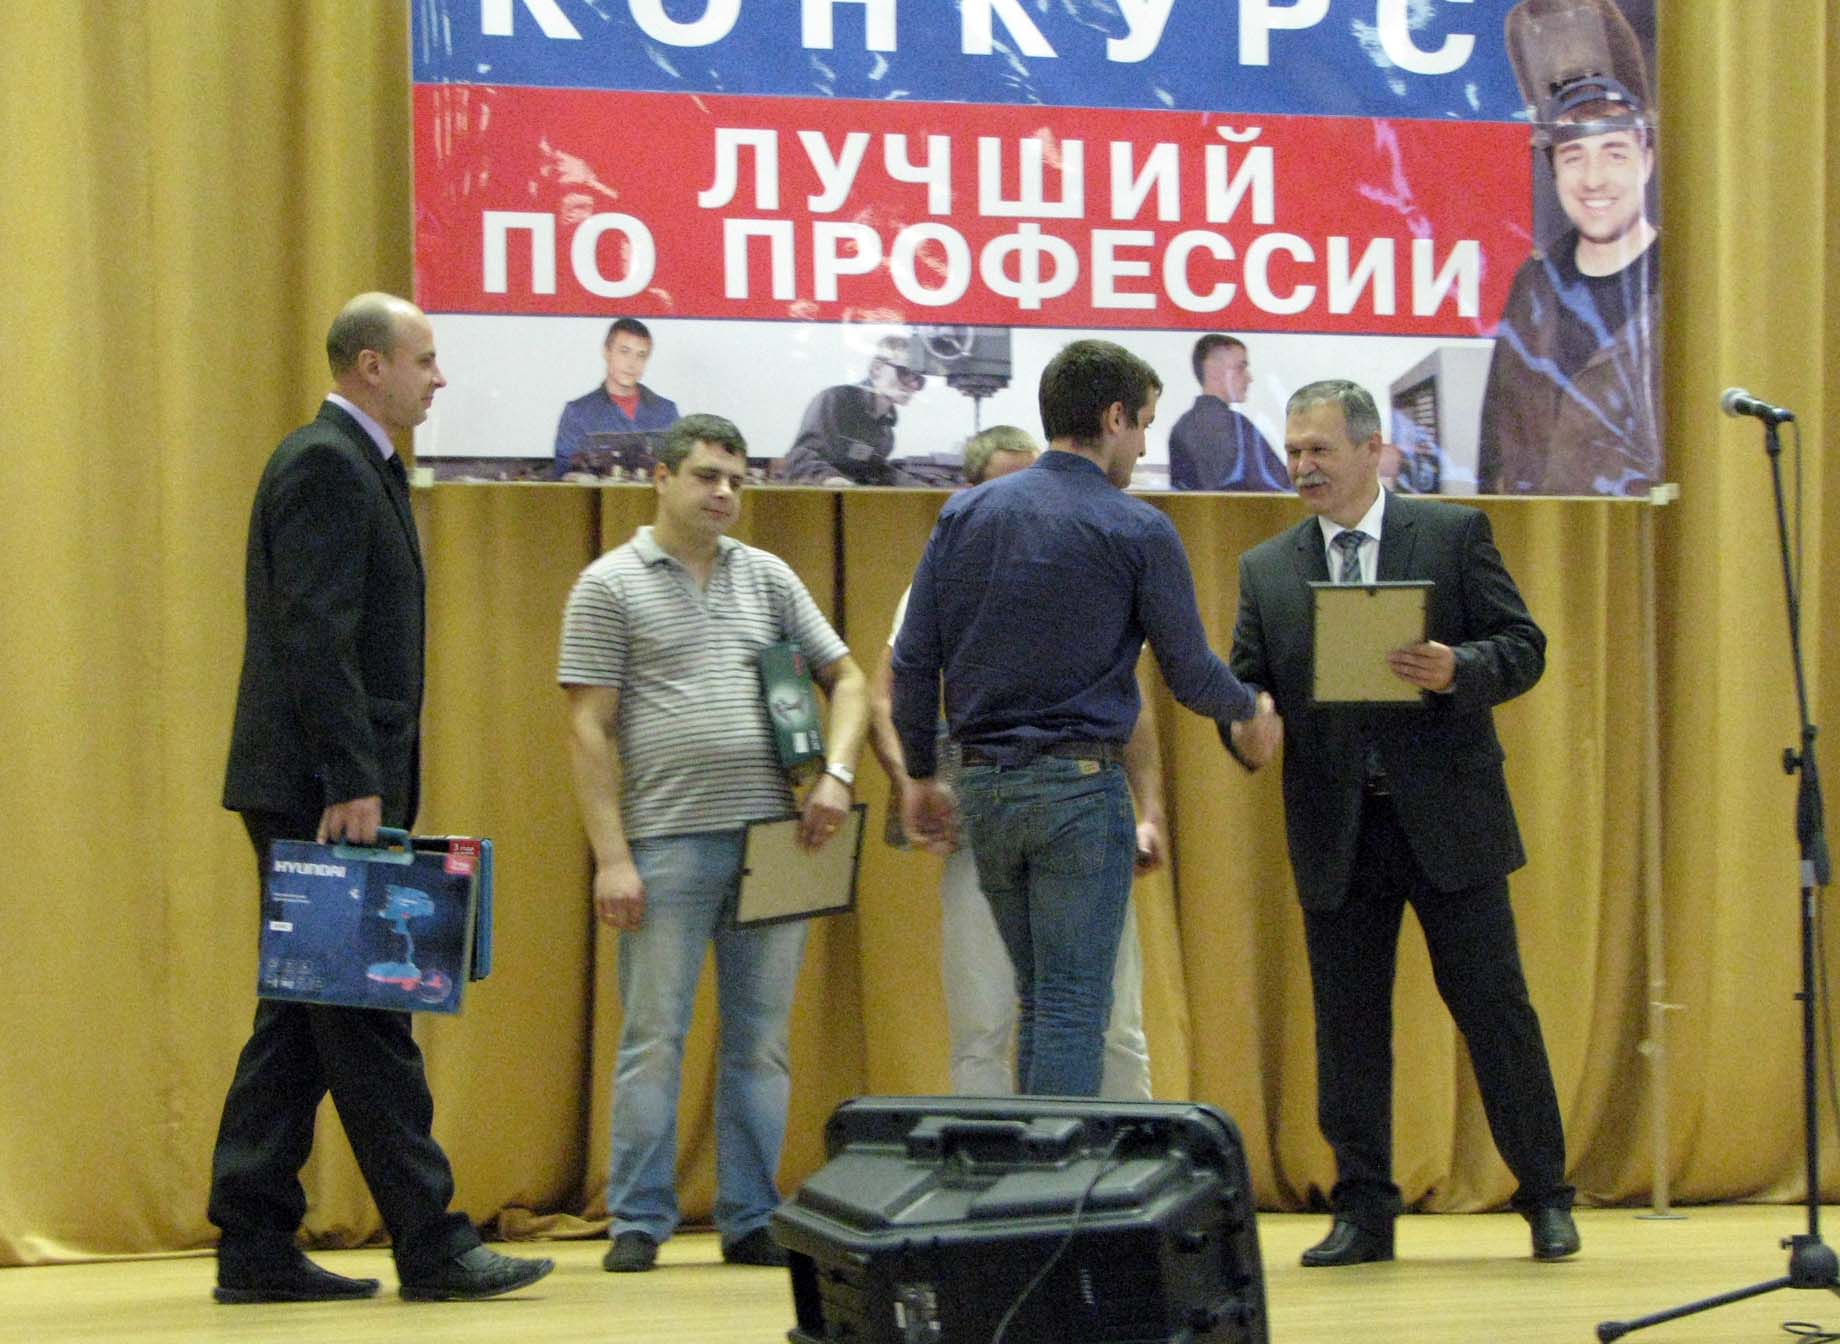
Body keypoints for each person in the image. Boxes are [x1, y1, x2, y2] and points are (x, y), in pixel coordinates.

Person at [210, 293, 555, 1304]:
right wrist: (352, 779)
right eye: (425, 358)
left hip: (322, 783)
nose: (438, 377)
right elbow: (314, 633)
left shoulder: (354, 463)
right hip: (323, 790)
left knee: (302, 1017)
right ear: (371, 365)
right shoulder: (325, 464)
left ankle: (253, 1241)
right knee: (369, 1012)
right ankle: (434, 1246)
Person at [1226, 378, 1576, 1266]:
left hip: (1451, 822)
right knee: (1347, 1030)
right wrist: (1246, 723)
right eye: (1293, 451)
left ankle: (1546, 1197)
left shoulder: (1451, 536)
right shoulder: (1267, 569)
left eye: (1319, 450)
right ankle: (1364, 1213)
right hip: (1337, 828)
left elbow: (1524, 647)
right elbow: (1248, 682)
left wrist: (1459, 667)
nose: (1303, 466)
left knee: (1496, 1012)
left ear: (1372, 449)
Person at [891, 340, 1277, 1097]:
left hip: (985, 794)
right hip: (1076, 791)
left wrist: (920, 773)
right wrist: (1250, 706)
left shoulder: (963, 515)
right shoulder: (1136, 527)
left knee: (1041, 1003)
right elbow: (1190, 673)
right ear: (1114, 417)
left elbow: (912, 662)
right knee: (1072, 1008)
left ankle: (1031, 1167)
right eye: (1145, 425)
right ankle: (1056, 1169)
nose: (1145, 446)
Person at [560, 413, 868, 1274]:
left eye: (736, 479)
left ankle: (751, 1217)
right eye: (706, 476)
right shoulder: (608, 584)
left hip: (779, 841)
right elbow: (587, 729)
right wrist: (613, 858)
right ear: (660, 479)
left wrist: (839, 774)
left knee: (760, 1042)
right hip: (665, 844)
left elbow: (847, 680)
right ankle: (638, 1219)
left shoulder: (768, 577)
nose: (725, 492)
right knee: (653, 1037)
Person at [867, 426, 1157, 1099]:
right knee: (983, 1024)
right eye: (1007, 486)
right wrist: (916, 779)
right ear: (969, 496)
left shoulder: (1090, 566)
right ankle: (996, 1169)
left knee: (1115, 1019)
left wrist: (1151, 810)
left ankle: (1130, 1162)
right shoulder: (945, 573)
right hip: (983, 804)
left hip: (1085, 803)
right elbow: (888, 692)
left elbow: (1132, 705)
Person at [1477, 73, 1659, 496]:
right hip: (1541, 532)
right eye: (1574, 157)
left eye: (1615, 154)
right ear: (1554, 170)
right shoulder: (1533, 286)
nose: (1593, 179)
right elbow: (1494, 448)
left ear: (1646, 162)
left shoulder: (1686, 282)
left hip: (1649, 533)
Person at [780, 333, 927, 485]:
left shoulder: (886, 433)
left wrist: (921, 488)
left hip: (849, 496)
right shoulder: (836, 401)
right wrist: (831, 479)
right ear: (877, 368)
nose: (914, 385)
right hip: (815, 496)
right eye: (905, 373)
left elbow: (875, 470)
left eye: (919, 379)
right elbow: (801, 456)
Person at [553, 317, 680, 477]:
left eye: (641, 355)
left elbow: (679, 474)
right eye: (624, 352)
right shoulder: (577, 414)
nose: (632, 364)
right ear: (606, 352)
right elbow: (565, 479)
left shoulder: (667, 412)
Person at [1167, 334, 1289, 492]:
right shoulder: (1236, 428)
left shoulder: (1181, 427)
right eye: (1241, 367)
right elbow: (1280, 488)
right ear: (1213, 371)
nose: (1249, 378)